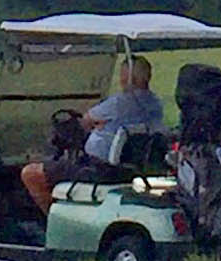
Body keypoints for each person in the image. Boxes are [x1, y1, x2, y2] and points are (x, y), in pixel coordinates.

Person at [18, 55, 163, 212]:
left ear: (129, 78)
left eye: (123, 74)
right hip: (133, 168)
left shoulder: (120, 102)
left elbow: (85, 122)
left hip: (100, 169)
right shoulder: (155, 103)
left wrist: (98, 125)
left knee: (31, 173)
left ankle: (49, 222)